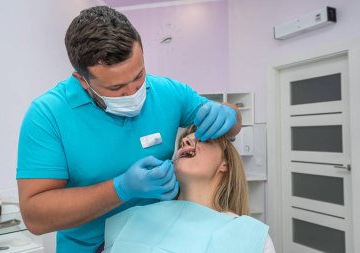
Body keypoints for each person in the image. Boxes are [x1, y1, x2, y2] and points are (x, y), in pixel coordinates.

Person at [16, 6, 242, 253]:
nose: (134, 92)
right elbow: (35, 217)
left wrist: (231, 115)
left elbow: (227, 128)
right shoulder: (47, 115)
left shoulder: (168, 92)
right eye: (116, 88)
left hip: (162, 241)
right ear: (82, 80)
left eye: (139, 76)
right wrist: (120, 188)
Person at [101, 125, 276, 253]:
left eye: (204, 140)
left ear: (225, 164)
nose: (185, 141)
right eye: (183, 142)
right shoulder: (133, 218)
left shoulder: (251, 236)